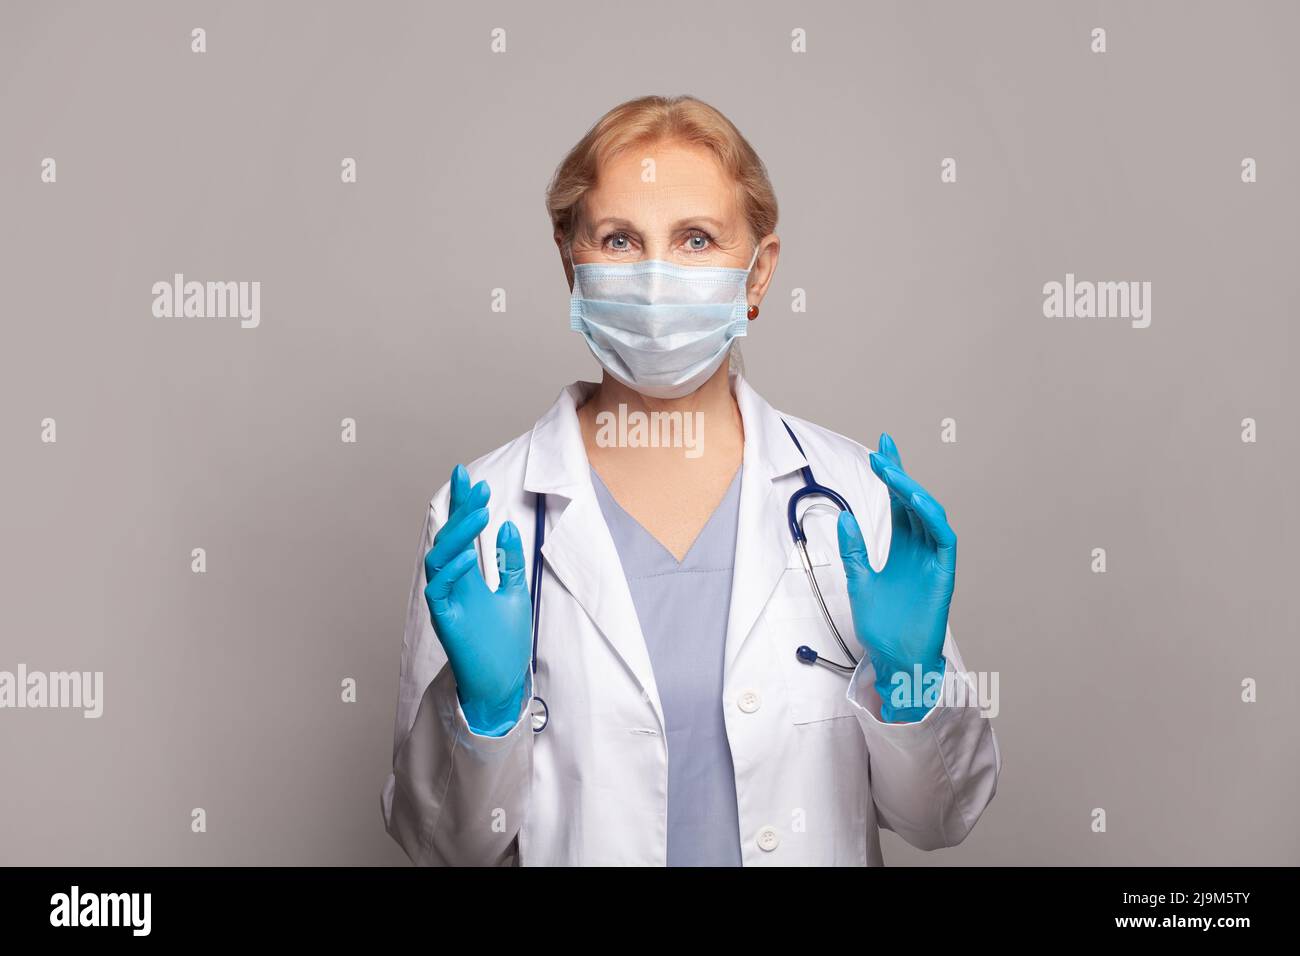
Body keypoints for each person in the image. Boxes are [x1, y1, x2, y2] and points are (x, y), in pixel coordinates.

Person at [381, 94, 999, 866]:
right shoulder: (480, 515)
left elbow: (943, 817)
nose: (654, 279)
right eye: (619, 240)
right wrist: (483, 712)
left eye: (696, 240)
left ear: (758, 273)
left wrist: (912, 680)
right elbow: (438, 844)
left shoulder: (855, 499)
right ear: (570, 261)